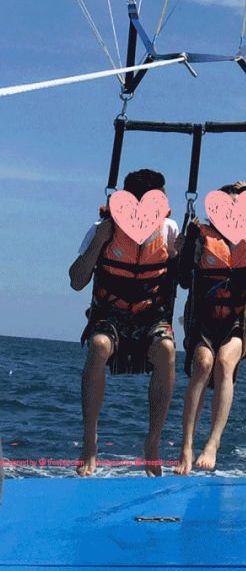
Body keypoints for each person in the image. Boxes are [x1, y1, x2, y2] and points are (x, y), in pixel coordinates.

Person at [68, 167, 180, 477]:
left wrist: (176, 255)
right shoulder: (101, 228)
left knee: (167, 350)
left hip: (149, 314)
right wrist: (99, 241)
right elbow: (77, 281)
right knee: (99, 345)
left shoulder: (170, 230)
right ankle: (90, 442)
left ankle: (153, 442)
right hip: (110, 313)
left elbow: (182, 281)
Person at [174, 181, 246, 473]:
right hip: (203, 319)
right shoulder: (201, 235)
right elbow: (184, 279)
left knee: (223, 363)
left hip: (237, 320)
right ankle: (186, 445)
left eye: (241, 207)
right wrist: (188, 243)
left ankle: (213, 443)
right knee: (202, 363)